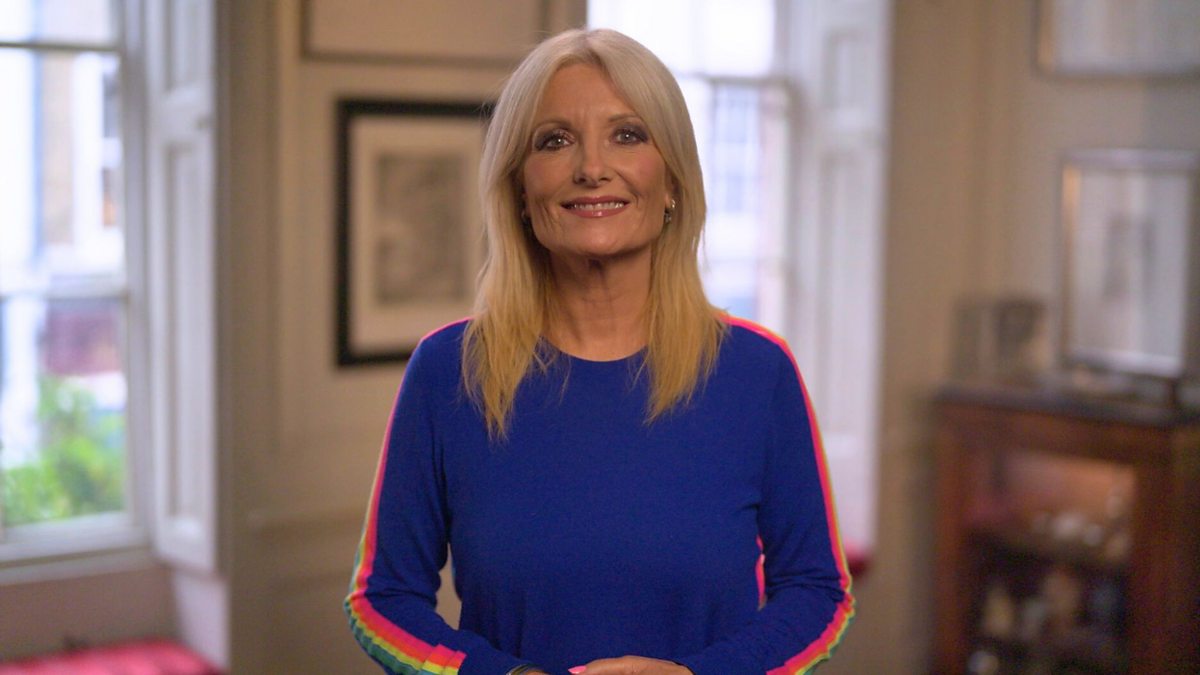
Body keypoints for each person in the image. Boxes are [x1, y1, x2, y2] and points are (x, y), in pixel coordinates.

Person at [345, 28, 854, 675]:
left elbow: (817, 592)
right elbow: (382, 599)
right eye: (555, 141)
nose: (591, 167)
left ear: (672, 181)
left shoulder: (758, 371)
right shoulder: (448, 370)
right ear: (519, 190)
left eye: (627, 134)